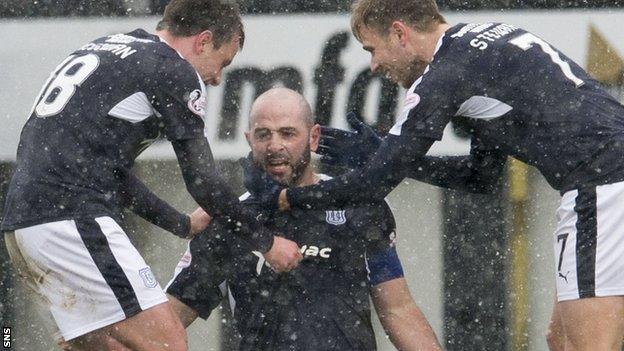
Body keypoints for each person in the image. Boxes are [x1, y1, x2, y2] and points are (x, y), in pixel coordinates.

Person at [240, 0, 624, 349]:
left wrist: (286, 198)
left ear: (399, 33)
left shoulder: (443, 75)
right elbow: (481, 175)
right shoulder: (482, 44)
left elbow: (374, 185)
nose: (374, 66)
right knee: (560, 338)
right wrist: (385, 155)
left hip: (602, 187)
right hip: (606, 182)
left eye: (373, 50)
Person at [0, 1, 302, 349]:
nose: (218, 78)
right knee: (168, 343)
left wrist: (181, 225)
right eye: (223, 63)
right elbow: (202, 180)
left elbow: (111, 170)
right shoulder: (173, 69)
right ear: (203, 41)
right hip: (71, 220)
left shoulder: (113, 45)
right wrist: (267, 242)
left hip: (23, 225)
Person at [166, 87, 442, 350]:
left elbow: (398, 310)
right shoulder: (230, 221)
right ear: (250, 140)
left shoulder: (361, 209)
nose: (275, 146)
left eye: (287, 134)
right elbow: (165, 326)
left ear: (313, 137)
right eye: (264, 135)